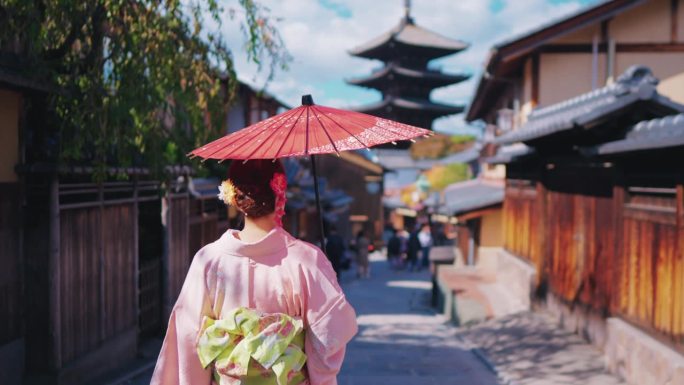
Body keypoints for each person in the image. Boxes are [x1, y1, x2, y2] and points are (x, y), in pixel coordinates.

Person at [151, 159, 358, 385]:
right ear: (281, 195)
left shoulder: (208, 259)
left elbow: (189, 336)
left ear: (234, 198)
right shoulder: (306, 260)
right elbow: (329, 337)